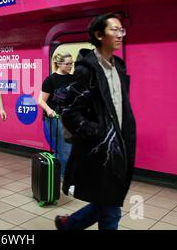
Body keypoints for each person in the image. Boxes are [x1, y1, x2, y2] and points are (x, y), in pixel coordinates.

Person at [54, 13, 136, 230]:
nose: (120, 35)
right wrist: (96, 132)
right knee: (110, 208)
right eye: (114, 30)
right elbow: (70, 112)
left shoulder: (119, 66)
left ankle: (69, 224)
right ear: (99, 35)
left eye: (122, 30)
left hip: (119, 144)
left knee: (106, 201)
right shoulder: (86, 70)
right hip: (100, 148)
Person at [38, 52, 75, 178]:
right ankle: (64, 176)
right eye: (67, 64)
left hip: (69, 118)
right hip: (55, 118)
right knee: (64, 148)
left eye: (71, 63)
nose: (70, 66)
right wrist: (49, 110)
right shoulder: (51, 80)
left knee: (66, 148)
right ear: (59, 64)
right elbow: (41, 100)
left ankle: (59, 173)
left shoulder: (73, 79)